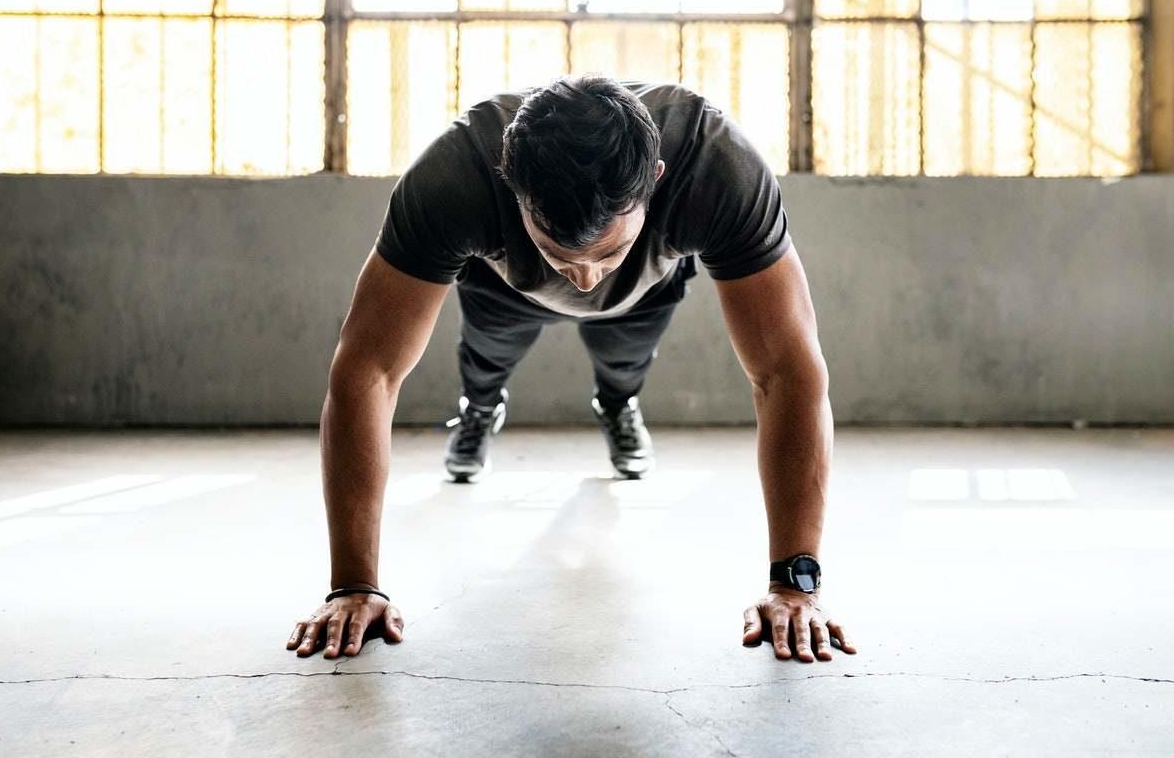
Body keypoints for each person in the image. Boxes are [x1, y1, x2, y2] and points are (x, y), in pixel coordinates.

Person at [285, 74, 857, 664]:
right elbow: (366, 370)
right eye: (561, 254)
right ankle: (479, 411)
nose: (584, 278)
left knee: (624, 367)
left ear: (655, 181)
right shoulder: (455, 174)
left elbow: (787, 370)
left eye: (604, 252)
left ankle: (616, 405)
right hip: (503, 286)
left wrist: (795, 584)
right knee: (485, 362)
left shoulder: (715, 165)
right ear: (511, 188)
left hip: (647, 288)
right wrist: (353, 585)